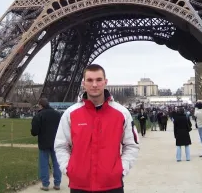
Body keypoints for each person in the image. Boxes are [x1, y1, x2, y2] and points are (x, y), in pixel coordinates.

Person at [54, 64, 139, 193]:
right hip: (79, 185)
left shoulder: (122, 113)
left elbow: (132, 145)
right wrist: (69, 169)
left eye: (98, 80)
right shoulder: (70, 114)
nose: (94, 84)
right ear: (83, 83)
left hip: (112, 185)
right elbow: (61, 145)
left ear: (105, 82)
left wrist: (121, 169)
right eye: (90, 80)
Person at [31, 98, 62, 191]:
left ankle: (45, 184)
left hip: (44, 142)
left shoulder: (39, 115)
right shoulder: (58, 114)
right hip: (56, 141)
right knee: (56, 163)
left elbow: (34, 132)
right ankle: (57, 183)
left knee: (44, 164)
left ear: (41, 105)